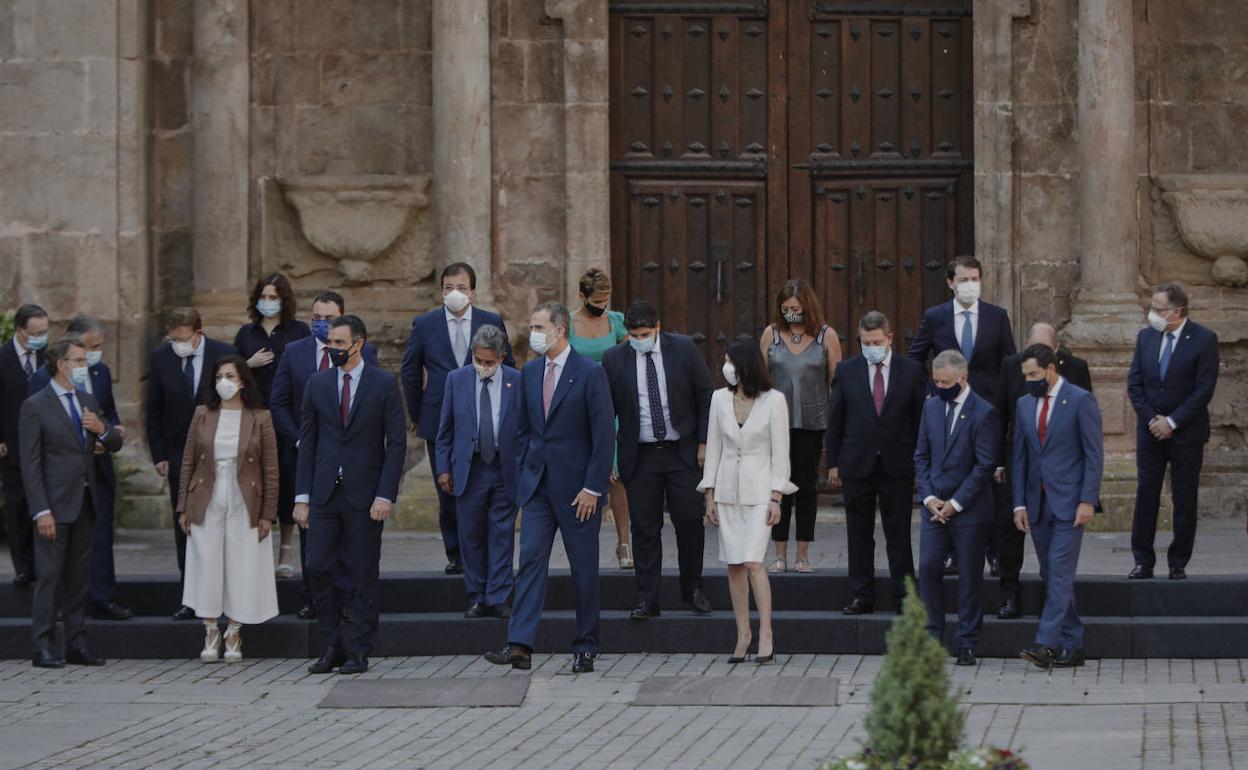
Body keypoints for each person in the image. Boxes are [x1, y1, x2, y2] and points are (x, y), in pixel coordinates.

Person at [483, 303, 613, 674]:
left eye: (539, 326)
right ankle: (520, 644)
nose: (533, 332)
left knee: (583, 569)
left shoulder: (589, 374)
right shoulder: (530, 372)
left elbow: (603, 436)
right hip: (538, 487)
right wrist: (524, 474)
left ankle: (586, 646)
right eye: (531, 325)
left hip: (578, 492)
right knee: (530, 565)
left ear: (560, 330)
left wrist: (593, 487)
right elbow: (522, 429)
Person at [294, 315, 406, 676]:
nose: (333, 349)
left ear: (358, 344)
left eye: (340, 344)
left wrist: (385, 494)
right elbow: (308, 441)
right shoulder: (317, 383)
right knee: (317, 567)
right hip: (325, 493)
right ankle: (332, 645)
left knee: (361, 572)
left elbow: (397, 444)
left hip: (365, 495)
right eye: (330, 343)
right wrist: (302, 496)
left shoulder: (384, 384)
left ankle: (359, 648)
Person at [270, 291, 379, 619]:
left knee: (347, 534)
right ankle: (314, 598)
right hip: (306, 458)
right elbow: (278, 400)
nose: (320, 324)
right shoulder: (294, 352)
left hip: (348, 461)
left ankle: (346, 598)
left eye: (328, 319)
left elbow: (370, 401)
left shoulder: (364, 352)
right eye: (315, 318)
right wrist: (301, 440)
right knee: (311, 532)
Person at [602, 301, 714, 619]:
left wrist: (704, 442)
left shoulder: (684, 349)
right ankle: (647, 598)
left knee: (690, 521)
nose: (640, 339)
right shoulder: (614, 359)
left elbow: (705, 394)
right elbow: (605, 410)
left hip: (682, 451)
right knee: (644, 528)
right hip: (641, 455)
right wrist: (608, 458)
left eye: (645, 333)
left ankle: (693, 589)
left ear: (658, 327)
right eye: (634, 334)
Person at [400, 263, 514, 575]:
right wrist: (419, 413)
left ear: (473, 291)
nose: (455, 293)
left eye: (461, 288)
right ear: (441, 291)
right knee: (448, 488)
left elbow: (510, 368)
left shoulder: (490, 321)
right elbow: (410, 371)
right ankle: (457, 554)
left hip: (485, 419)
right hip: (440, 419)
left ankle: (487, 553)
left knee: (487, 489)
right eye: (449, 287)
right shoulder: (425, 324)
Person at [20, 336, 124, 667]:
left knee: (78, 579)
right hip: (53, 505)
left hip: (85, 501)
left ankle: (76, 643)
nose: (85, 365)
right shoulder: (35, 405)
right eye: (79, 360)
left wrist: (102, 429)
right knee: (49, 577)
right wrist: (41, 510)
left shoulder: (87, 399)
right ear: (62, 365)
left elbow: (115, 441)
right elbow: (31, 464)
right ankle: (43, 645)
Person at [908, 255, 1016, 575]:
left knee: (990, 479)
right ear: (950, 282)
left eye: (975, 279)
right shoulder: (936, 317)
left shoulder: (997, 317)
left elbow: (1009, 362)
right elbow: (915, 358)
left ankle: (994, 551)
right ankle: (952, 551)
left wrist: (1004, 406)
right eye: (964, 279)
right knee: (952, 476)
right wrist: (931, 391)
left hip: (987, 413)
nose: (970, 285)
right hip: (948, 410)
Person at [176, 356, 280, 662]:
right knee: (206, 560)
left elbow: (270, 469)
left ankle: (234, 630)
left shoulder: (260, 417)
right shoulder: (202, 414)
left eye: (230, 376)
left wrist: (267, 514)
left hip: (245, 498)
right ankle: (210, 628)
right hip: (206, 494)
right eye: (220, 375)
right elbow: (188, 461)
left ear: (243, 381)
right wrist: (183, 505)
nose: (225, 381)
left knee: (243, 562)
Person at [698, 341, 794, 663]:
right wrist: (709, 494)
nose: (725, 367)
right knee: (734, 566)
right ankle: (743, 634)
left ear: (746, 365)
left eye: (729, 361)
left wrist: (776, 497)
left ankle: (766, 631)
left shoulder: (774, 401)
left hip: (759, 493)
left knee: (754, 562)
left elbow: (781, 453)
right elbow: (714, 449)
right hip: (727, 493)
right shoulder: (718, 399)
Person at [825, 312, 925, 614]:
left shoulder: (911, 370)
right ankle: (861, 595)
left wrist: (921, 464)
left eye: (877, 342)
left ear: (889, 339)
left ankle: (905, 597)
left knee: (899, 534)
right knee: (858, 533)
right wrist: (833, 463)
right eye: (866, 342)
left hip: (897, 463)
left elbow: (919, 420)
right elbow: (836, 419)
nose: (872, 347)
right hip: (857, 464)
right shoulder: (847, 370)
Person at [993, 322, 1092, 618]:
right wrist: (998, 461)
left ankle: (1053, 604)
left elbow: (1086, 425)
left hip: (1060, 470)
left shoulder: (1076, 369)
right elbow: (1000, 416)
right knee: (1010, 530)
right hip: (1020, 459)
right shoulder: (1012, 366)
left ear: (1056, 352)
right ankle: (1009, 593)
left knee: (1056, 554)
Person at [1013, 344, 1103, 669]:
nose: (1029, 381)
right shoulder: (1024, 404)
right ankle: (1073, 644)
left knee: (1060, 573)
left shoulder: (1080, 400)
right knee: (1050, 573)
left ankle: (1045, 644)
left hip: (1069, 503)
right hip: (1036, 504)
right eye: (1025, 375)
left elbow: (1094, 455)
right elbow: (1020, 456)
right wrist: (1019, 503)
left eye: (1034, 374)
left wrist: (1087, 500)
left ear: (1051, 369)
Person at [144, 307, 235, 619]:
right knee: (187, 525)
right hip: (178, 454)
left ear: (199, 333)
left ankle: (224, 596)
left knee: (220, 523)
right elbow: (153, 409)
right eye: (173, 339)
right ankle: (191, 597)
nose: (177, 344)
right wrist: (158, 455)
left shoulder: (224, 354)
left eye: (182, 338)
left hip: (220, 453)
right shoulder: (161, 358)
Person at [1126, 282, 1219, 581]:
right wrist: (1153, 419)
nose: (1152, 314)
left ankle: (1178, 561)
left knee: (1184, 498)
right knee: (1146, 495)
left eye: (1158, 309)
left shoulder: (1204, 339)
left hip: (1186, 433)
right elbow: (1135, 384)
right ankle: (1143, 560)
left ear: (1177, 311)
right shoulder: (1146, 338)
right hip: (1150, 431)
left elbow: (1204, 388)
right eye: (1151, 308)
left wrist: (1173, 422)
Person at [914, 350, 999, 667]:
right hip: (933, 506)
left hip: (969, 510)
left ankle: (966, 642)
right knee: (929, 568)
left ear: (962, 378)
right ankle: (931, 637)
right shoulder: (931, 405)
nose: (939, 387)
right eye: (935, 381)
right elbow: (921, 455)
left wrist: (955, 503)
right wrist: (928, 497)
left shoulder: (984, 412)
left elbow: (984, 465)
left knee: (969, 577)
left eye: (945, 382)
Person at [435, 326, 522, 618]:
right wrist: (443, 468)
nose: (483, 367)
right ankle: (476, 596)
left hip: (503, 466)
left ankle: (498, 596)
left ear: (501, 357)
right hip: (469, 468)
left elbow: (525, 428)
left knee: (501, 533)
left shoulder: (516, 381)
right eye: (478, 360)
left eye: (489, 362)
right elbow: (444, 429)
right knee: (470, 534)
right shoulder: (456, 380)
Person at [760, 279, 841, 573]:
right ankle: (779, 553)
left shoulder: (825, 335)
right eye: (786, 309)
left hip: (811, 422)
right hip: (776, 422)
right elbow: (761, 379)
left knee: (805, 488)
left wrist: (835, 425)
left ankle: (803, 554)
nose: (792, 313)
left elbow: (836, 381)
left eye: (796, 308)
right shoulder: (771, 334)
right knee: (778, 488)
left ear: (807, 306)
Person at [232, 273, 310, 580]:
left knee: (288, 480)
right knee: (255, 481)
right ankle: (257, 545)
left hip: (288, 417)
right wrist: (247, 365)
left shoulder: (298, 331)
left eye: (273, 297)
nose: (268, 302)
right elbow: (229, 371)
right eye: (263, 297)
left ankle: (286, 549)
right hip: (254, 414)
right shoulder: (246, 333)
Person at [568, 268, 633, 570]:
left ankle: (624, 543)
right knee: (584, 474)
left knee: (615, 475)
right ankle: (583, 545)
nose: (602, 306)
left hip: (610, 403)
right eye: (596, 300)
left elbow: (628, 358)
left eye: (606, 300)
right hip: (578, 405)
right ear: (581, 296)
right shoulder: (568, 323)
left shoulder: (615, 322)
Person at [0, 303, 50, 585]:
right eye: (36, 332)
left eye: (44, 331)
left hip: (45, 444)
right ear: (20, 331)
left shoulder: (49, 356)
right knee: (18, 506)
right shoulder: (3, 358)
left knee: (43, 506)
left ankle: (44, 565)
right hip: (13, 446)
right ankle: (23, 567)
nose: (41, 337)